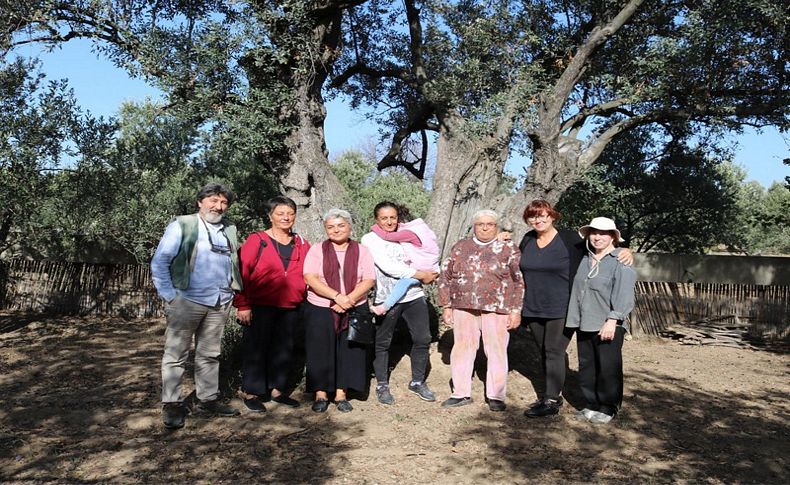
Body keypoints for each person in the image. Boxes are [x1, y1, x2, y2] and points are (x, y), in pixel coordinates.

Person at [519, 199, 632, 418]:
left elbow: (604, 249)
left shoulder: (569, 239)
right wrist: (502, 237)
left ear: (552, 216)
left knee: (554, 350)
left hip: (563, 307)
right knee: (545, 351)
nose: (538, 219)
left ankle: (552, 399)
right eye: (533, 216)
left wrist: (627, 251)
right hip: (533, 307)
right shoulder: (527, 240)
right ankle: (558, 395)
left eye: (543, 215)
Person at [151, 183, 242, 429]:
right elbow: (160, 261)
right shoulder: (183, 224)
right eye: (213, 200)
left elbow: (233, 263)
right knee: (176, 354)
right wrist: (170, 296)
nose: (218, 206)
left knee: (210, 354)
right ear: (200, 202)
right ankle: (171, 404)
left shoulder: (228, 229)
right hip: (186, 300)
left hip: (219, 302)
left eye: (223, 202)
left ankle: (207, 400)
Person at [438, 210, 524, 411]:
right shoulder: (461, 246)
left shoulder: (508, 248)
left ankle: (496, 395)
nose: (485, 227)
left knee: (496, 349)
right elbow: (445, 276)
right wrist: (446, 305)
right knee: (462, 347)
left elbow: (518, 280)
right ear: (474, 226)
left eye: (490, 224)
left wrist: (515, 310)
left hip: (498, 306)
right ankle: (460, 393)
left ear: (497, 227)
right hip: (463, 304)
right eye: (480, 224)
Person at [233, 196, 310, 412]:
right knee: (257, 347)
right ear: (270, 216)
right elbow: (242, 272)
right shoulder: (257, 240)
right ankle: (252, 391)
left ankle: (278, 391)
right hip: (259, 304)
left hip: (291, 306)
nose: (286, 217)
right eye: (280, 213)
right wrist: (242, 304)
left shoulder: (302, 244)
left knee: (283, 348)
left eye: (290, 213)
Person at [361, 202, 438, 405]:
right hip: (387, 297)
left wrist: (432, 270)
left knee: (422, 338)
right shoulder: (370, 239)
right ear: (376, 220)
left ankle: (417, 381)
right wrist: (420, 274)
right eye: (384, 218)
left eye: (393, 217)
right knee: (383, 342)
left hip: (413, 295)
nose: (389, 222)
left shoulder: (405, 234)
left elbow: (425, 253)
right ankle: (382, 384)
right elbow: (389, 267)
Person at [302, 209, 376, 413]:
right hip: (321, 305)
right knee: (320, 350)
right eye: (330, 227)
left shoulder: (362, 250)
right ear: (325, 230)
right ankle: (320, 394)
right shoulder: (317, 250)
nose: (336, 230)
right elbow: (310, 278)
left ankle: (341, 393)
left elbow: (369, 279)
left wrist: (348, 300)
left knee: (349, 350)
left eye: (341, 225)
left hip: (354, 306)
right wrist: (336, 297)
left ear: (350, 227)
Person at [566, 217, 637, 424]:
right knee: (587, 364)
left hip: (608, 323)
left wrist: (612, 320)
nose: (597, 237)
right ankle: (591, 404)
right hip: (584, 321)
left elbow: (624, 295)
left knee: (608, 366)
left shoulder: (621, 262)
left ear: (613, 237)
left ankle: (608, 407)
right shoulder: (584, 258)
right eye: (594, 233)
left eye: (603, 233)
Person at [369, 213, 440, 316]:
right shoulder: (422, 229)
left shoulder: (410, 232)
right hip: (431, 266)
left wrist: (374, 227)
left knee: (403, 283)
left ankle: (384, 307)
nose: (391, 223)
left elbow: (387, 236)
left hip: (425, 268)